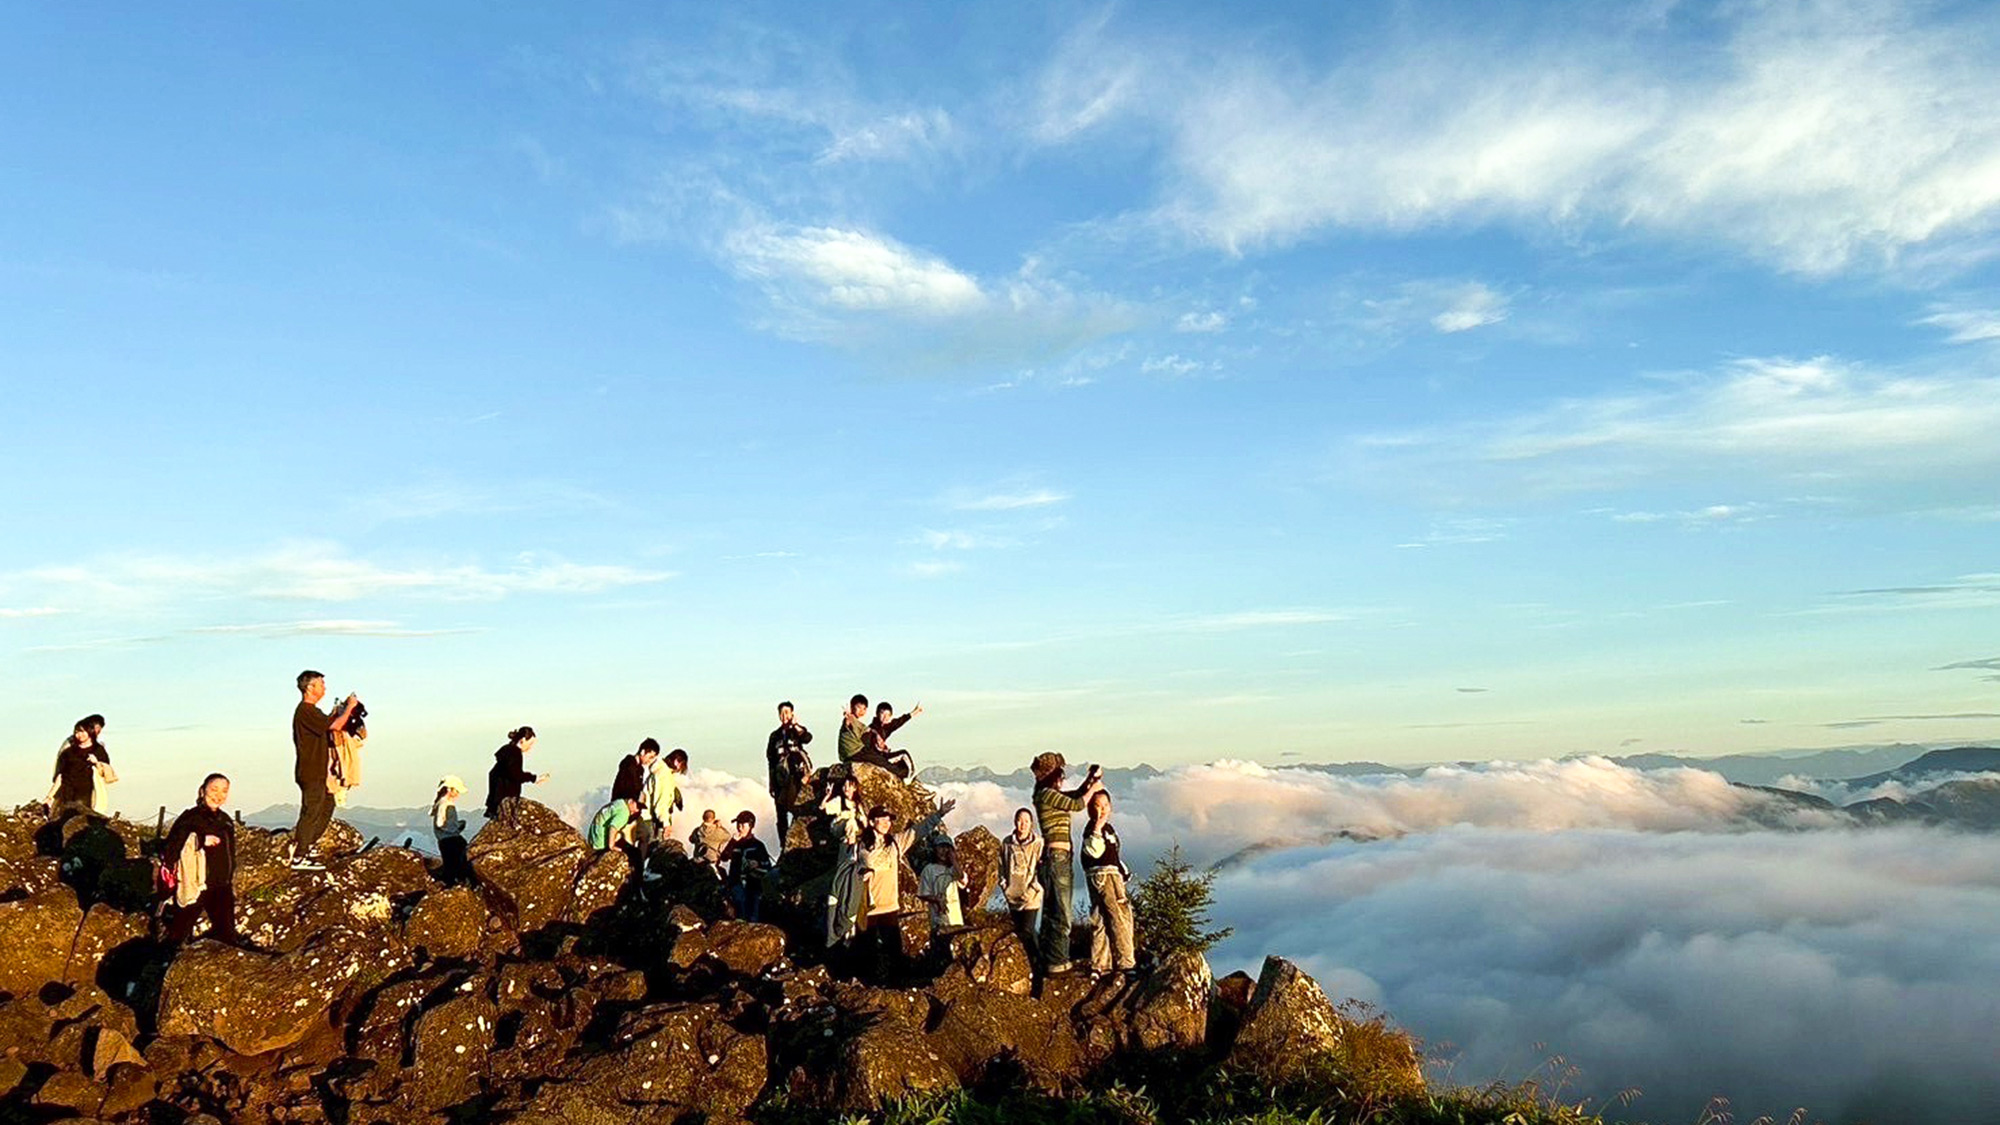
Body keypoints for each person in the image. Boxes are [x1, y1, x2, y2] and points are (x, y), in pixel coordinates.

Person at [856, 799, 956, 975]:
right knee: (866, 951)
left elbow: (917, 831)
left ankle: (895, 987)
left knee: (893, 950)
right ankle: (864, 986)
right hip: (868, 907)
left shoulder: (895, 843)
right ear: (872, 822)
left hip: (889, 906)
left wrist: (939, 814)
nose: (887, 823)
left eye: (889, 819)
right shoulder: (861, 846)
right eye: (883, 819)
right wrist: (865, 871)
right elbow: (859, 864)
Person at [1031, 751, 1104, 974]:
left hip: (1057, 859)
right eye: (1060, 777)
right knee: (1061, 914)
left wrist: (1091, 780)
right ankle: (1058, 963)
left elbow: (1077, 795)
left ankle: (1047, 958)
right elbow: (1079, 803)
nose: (1062, 781)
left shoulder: (1047, 795)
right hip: (1057, 859)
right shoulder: (1046, 794)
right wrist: (1095, 786)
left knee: (1053, 911)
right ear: (1052, 776)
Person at [163, 773, 252, 947]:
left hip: (222, 885)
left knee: (227, 935)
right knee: (179, 933)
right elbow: (172, 846)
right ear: (202, 791)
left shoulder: (225, 820)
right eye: (214, 789)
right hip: (196, 883)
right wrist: (200, 840)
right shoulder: (190, 817)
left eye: (224, 791)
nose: (219, 795)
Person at [291, 671, 360, 871]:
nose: (324, 688)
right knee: (311, 810)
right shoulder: (306, 711)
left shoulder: (312, 712)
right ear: (309, 688)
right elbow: (335, 726)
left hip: (318, 771)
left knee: (327, 804)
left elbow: (328, 723)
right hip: (310, 770)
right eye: (321, 684)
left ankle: (308, 846)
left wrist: (341, 709)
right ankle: (299, 855)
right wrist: (350, 707)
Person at [1081, 790, 1137, 978]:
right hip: (1105, 875)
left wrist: (1122, 871)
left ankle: (1100, 965)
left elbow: (1113, 854)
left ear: (1111, 807)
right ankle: (1126, 964)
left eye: (1105, 805)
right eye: (1097, 806)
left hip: (1102, 874)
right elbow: (1094, 851)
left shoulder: (1107, 829)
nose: (1102, 810)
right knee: (1119, 917)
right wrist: (1098, 825)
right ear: (1090, 810)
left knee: (1101, 919)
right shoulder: (1094, 829)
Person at [821, 772, 867, 947]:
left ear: (855, 787)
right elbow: (823, 808)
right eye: (845, 786)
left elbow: (866, 823)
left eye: (850, 786)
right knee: (849, 823)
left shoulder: (859, 805)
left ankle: (849, 930)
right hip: (841, 831)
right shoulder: (839, 801)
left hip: (854, 839)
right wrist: (827, 795)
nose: (846, 789)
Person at [999, 807, 1045, 961]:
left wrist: (1032, 890)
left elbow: (1042, 870)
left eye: (1026, 821)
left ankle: (1037, 963)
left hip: (1031, 897)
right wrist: (1005, 887)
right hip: (1012, 896)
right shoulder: (1006, 843)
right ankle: (1025, 965)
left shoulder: (1039, 843)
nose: (1023, 824)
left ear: (1032, 823)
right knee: (1019, 933)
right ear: (1015, 822)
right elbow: (1001, 866)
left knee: (1028, 931)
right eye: (1020, 821)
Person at [45, 721, 115, 819]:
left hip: (85, 793)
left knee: (81, 819)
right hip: (66, 792)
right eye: (77, 732)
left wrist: (96, 762)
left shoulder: (98, 750)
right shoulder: (67, 752)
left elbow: (107, 774)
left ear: (90, 732)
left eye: (82, 732)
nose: (79, 735)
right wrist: (50, 796)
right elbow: (60, 775)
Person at [765, 702, 813, 839]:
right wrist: (771, 783)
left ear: (792, 713)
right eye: (781, 713)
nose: (784, 715)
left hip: (797, 775)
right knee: (781, 812)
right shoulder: (775, 736)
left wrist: (796, 726)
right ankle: (783, 843)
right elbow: (771, 760)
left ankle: (799, 836)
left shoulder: (797, 731)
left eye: (787, 712)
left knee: (797, 807)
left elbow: (807, 738)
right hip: (780, 777)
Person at [637, 744, 686, 869]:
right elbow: (661, 803)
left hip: (646, 815)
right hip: (650, 818)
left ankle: (638, 874)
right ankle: (641, 876)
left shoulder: (660, 772)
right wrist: (666, 824)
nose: (680, 770)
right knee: (653, 849)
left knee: (645, 850)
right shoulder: (664, 776)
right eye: (682, 766)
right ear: (677, 762)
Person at [718, 811, 772, 921]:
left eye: (743, 825)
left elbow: (767, 866)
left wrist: (757, 864)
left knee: (752, 917)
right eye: (738, 824)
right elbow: (724, 857)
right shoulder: (735, 843)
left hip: (753, 886)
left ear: (751, 826)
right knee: (739, 917)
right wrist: (732, 842)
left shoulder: (757, 845)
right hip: (736, 885)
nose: (739, 827)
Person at [485, 726, 547, 818]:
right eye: (530, 744)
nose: (530, 747)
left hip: (497, 798)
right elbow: (515, 774)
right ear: (522, 740)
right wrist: (534, 778)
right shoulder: (514, 753)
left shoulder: (507, 751)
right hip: (505, 797)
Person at [853, 701, 922, 780]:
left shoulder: (886, 728)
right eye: (882, 714)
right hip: (877, 758)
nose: (885, 717)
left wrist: (913, 713)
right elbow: (865, 747)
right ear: (877, 714)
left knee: (901, 760)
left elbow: (898, 722)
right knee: (904, 754)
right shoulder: (870, 730)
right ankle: (909, 778)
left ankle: (900, 777)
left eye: (888, 715)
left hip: (880, 756)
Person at [917, 837, 970, 935]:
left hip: (955, 918)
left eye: (947, 848)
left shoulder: (953, 869)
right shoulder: (929, 869)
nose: (944, 851)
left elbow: (962, 880)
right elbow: (922, 893)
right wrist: (936, 899)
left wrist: (954, 861)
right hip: (937, 918)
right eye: (941, 847)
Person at [432, 775, 475, 886]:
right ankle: (459, 884)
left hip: (445, 839)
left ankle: (453, 884)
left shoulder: (441, 803)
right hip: (450, 840)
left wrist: (457, 825)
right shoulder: (445, 804)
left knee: (450, 865)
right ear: (449, 789)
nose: (458, 794)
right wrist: (456, 828)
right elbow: (440, 823)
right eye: (456, 791)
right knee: (457, 863)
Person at [688, 809, 730, 873]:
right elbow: (728, 836)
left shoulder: (697, 831)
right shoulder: (719, 832)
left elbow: (691, 839)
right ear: (714, 819)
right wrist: (720, 826)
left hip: (697, 863)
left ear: (703, 818)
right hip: (713, 863)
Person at [836, 695, 870, 764]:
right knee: (878, 759)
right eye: (858, 707)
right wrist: (848, 717)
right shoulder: (850, 719)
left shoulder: (857, 722)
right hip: (853, 752)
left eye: (864, 708)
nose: (861, 710)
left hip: (852, 752)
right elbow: (847, 724)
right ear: (852, 707)